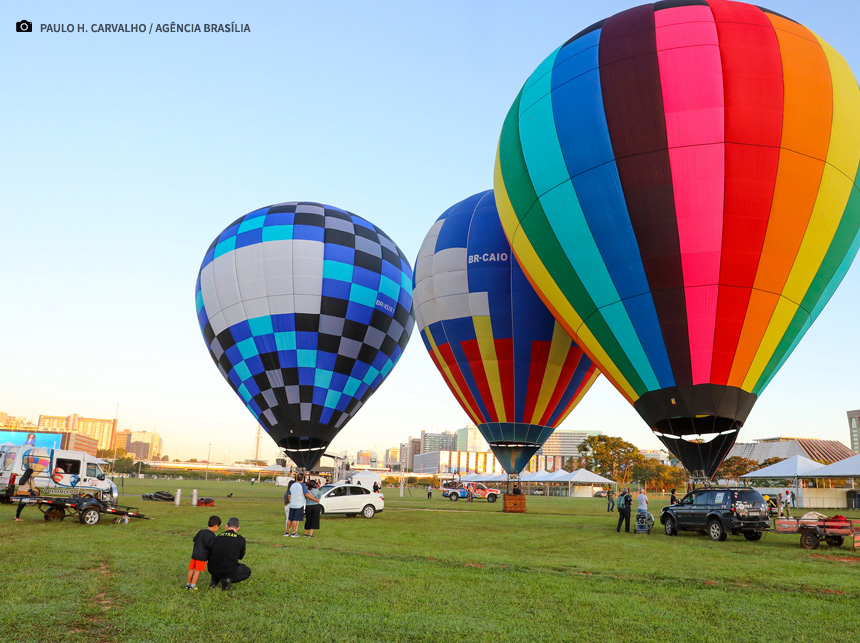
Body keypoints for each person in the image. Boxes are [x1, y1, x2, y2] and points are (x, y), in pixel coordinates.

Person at [207, 517, 250, 590]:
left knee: (219, 563)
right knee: (247, 571)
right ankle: (227, 580)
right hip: (228, 570)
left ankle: (215, 579)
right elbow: (240, 556)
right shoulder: (241, 539)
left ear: (226, 526)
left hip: (212, 568)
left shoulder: (218, 537)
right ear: (238, 528)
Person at [186, 515, 221, 590]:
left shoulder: (201, 532)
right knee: (197, 571)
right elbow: (211, 546)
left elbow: (194, 539)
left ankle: (188, 584)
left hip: (194, 555)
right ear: (215, 526)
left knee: (191, 570)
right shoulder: (212, 536)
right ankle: (193, 585)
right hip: (202, 557)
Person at [285, 473, 307, 537]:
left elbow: (289, 495)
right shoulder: (302, 485)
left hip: (292, 504)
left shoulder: (293, 485)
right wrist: (314, 499)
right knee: (295, 519)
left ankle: (287, 532)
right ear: (303, 479)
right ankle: (294, 533)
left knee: (290, 518)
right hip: (299, 505)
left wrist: (290, 502)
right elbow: (306, 494)